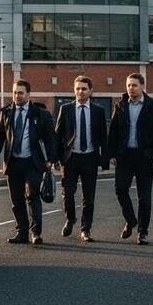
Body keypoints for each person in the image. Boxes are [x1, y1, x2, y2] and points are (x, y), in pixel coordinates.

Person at [0, 80, 57, 245]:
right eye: (14, 92)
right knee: (17, 200)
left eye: (20, 93)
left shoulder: (40, 113)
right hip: (13, 162)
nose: (17, 96)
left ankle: (36, 233)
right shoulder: (7, 113)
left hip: (33, 162)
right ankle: (22, 233)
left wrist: (51, 160)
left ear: (28, 94)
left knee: (33, 196)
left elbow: (50, 139)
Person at [107, 73, 153, 245]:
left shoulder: (152, 106)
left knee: (144, 197)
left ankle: (142, 232)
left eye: (134, 85)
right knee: (120, 189)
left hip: (144, 157)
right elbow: (114, 131)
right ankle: (131, 220)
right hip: (124, 156)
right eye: (128, 85)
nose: (130, 88)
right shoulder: (120, 106)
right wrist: (112, 154)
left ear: (142, 86)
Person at [53, 76, 108, 242]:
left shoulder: (98, 111)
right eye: (77, 88)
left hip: (90, 158)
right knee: (68, 194)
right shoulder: (66, 109)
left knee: (88, 197)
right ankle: (70, 219)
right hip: (70, 158)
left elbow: (103, 136)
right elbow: (58, 135)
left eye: (84, 89)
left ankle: (86, 229)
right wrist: (55, 158)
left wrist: (105, 159)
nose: (80, 91)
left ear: (90, 91)